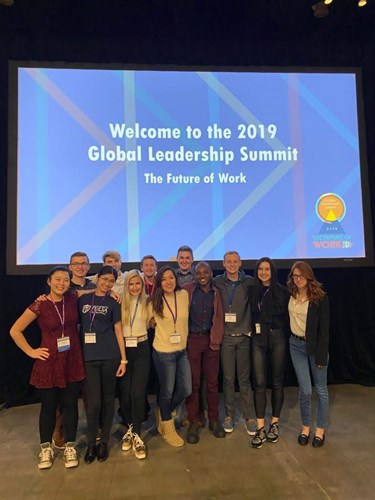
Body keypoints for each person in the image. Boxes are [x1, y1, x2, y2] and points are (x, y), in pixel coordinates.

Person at [10, 266, 85, 470]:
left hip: (71, 359)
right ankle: (45, 449)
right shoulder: (40, 304)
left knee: (70, 405)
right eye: (58, 279)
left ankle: (70, 446)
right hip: (49, 361)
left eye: (66, 280)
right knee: (49, 407)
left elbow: (94, 293)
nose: (62, 283)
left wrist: (112, 292)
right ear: (49, 281)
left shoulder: (72, 298)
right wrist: (31, 351)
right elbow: (15, 330)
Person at [79, 266, 127, 464]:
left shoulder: (114, 302)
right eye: (104, 279)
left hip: (110, 356)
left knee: (108, 402)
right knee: (93, 404)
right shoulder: (83, 300)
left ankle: (104, 442)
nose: (107, 283)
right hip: (89, 357)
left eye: (111, 281)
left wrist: (123, 359)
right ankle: (91, 443)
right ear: (97, 278)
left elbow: (118, 330)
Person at [51, 251, 96, 450]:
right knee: (64, 389)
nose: (79, 267)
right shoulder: (64, 288)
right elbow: (71, 296)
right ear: (70, 267)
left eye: (83, 264)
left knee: (90, 390)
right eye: (75, 263)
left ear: (88, 266)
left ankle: (94, 427)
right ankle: (59, 429)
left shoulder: (94, 285)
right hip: (67, 344)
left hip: (90, 344)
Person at [287, 261, 329, 448]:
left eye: (301, 276)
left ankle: (320, 428)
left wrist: (321, 357)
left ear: (308, 276)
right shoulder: (291, 294)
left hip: (315, 347)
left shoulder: (320, 298)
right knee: (305, 390)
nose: (298, 279)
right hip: (296, 345)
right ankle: (306, 427)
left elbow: (325, 330)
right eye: (295, 276)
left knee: (320, 389)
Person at [148, 266, 192, 447]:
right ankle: (167, 426)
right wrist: (151, 322)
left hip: (182, 351)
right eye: (164, 279)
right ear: (159, 282)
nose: (168, 282)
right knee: (166, 392)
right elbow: (146, 322)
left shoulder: (183, 296)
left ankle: (164, 410)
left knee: (186, 389)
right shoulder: (153, 301)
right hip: (163, 352)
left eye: (171, 278)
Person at [183, 262, 225, 444]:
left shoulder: (218, 292)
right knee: (193, 383)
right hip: (192, 340)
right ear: (193, 275)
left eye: (205, 272)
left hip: (211, 340)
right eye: (198, 272)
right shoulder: (186, 291)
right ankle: (194, 420)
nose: (202, 275)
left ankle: (214, 419)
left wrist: (216, 338)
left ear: (211, 273)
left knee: (212, 383)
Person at [213, 251, 255, 434]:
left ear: (240, 263)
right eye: (228, 261)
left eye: (235, 261)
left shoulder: (250, 282)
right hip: (227, 339)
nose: (231, 264)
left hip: (244, 337)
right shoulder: (217, 282)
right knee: (228, 379)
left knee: (244, 380)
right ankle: (229, 415)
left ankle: (249, 416)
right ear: (223, 263)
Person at [250, 257, 290, 448]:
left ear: (272, 271)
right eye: (261, 269)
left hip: (277, 338)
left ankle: (274, 423)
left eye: (267, 269)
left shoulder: (283, 292)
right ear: (256, 271)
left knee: (277, 382)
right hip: (258, 339)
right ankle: (260, 427)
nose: (264, 272)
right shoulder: (252, 291)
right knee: (258, 383)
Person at [119, 270, 151, 460]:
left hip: (142, 347)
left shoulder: (148, 301)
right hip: (123, 350)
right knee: (125, 393)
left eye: (138, 283)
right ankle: (130, 429)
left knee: (138, 393)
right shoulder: (120, 301)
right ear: (126, 285)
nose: (134, 287)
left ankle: (137, 434)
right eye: (131, 284)